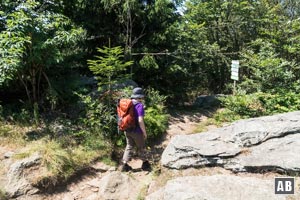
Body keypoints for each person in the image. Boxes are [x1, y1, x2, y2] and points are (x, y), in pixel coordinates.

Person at [121, 87, 151, 172]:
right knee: (141, 147)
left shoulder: (127, 104)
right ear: (140, 97)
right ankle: (145, 164)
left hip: (127, 130)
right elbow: (140, 120)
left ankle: (124, 165)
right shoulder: (139, 105)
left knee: (129, 146)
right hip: (137, 131)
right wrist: (144, 132)